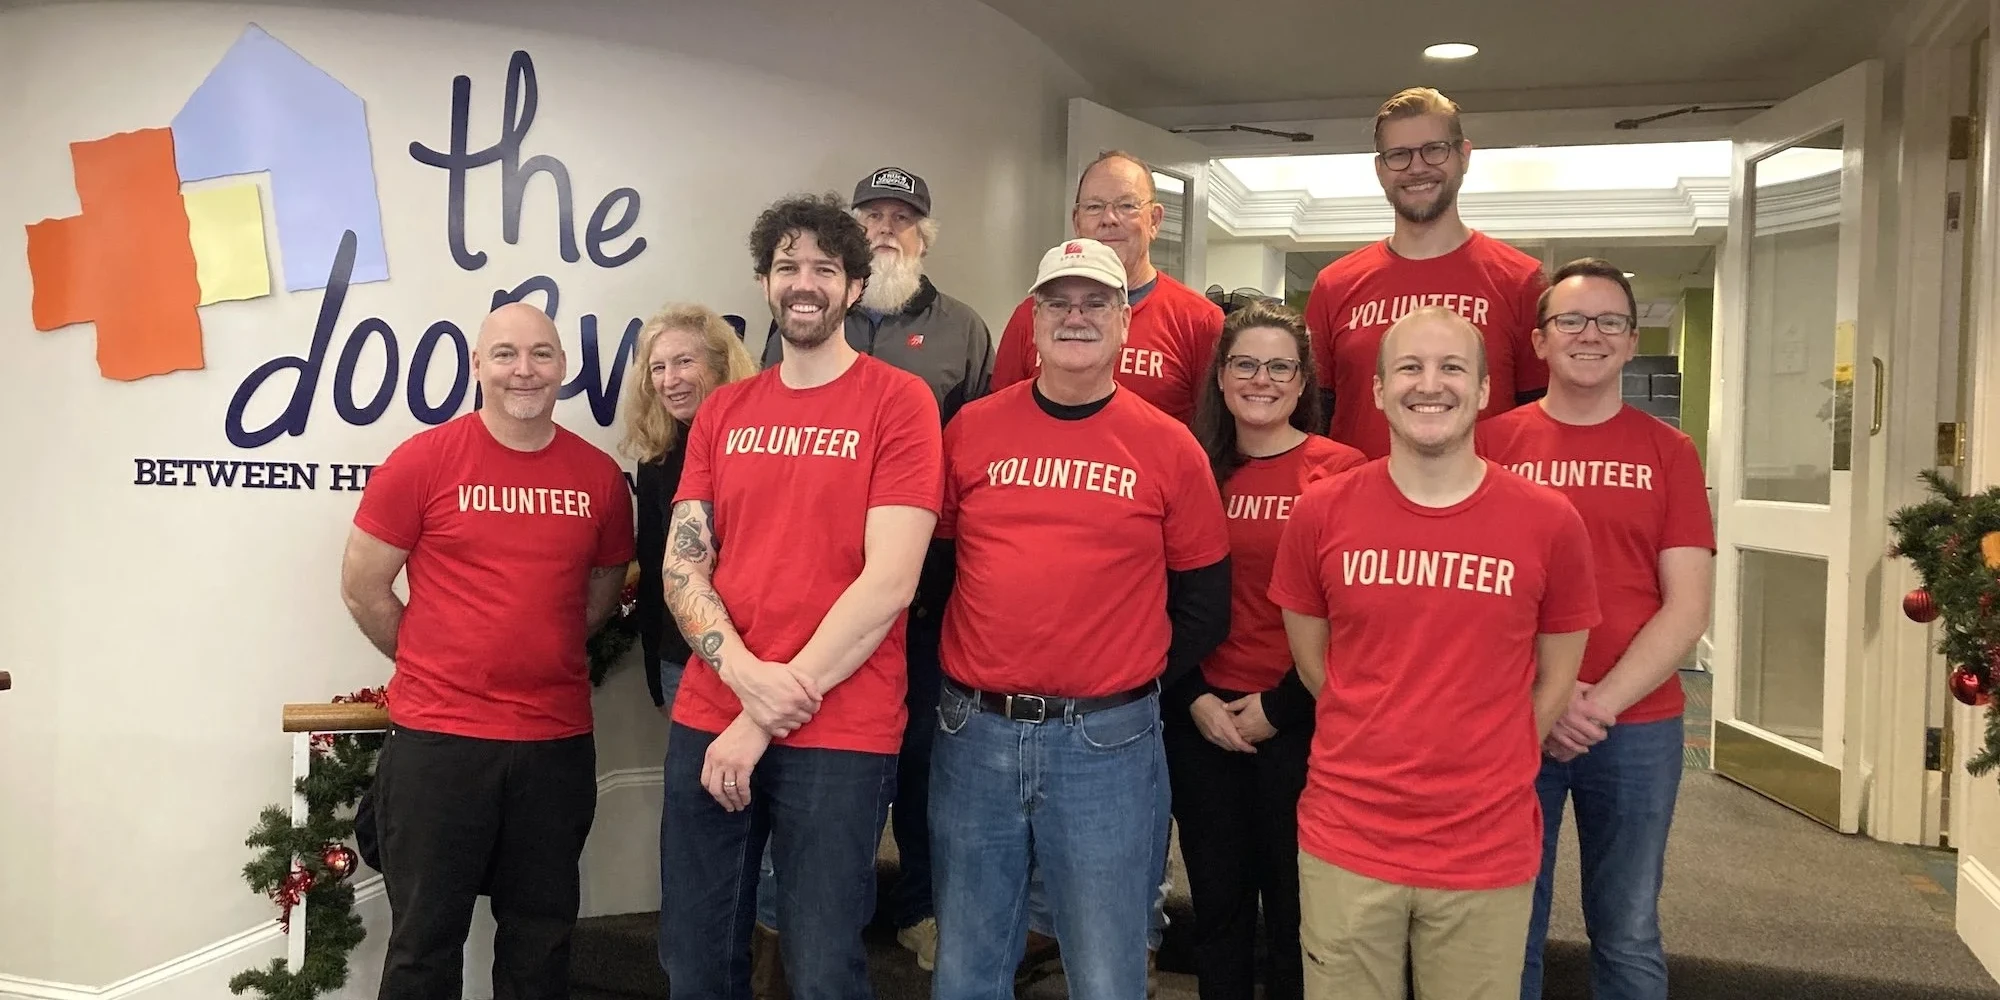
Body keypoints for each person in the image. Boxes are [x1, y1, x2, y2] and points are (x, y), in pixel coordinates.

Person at [927, 237, 1232, 1000]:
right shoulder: (969, 431)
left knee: (1106, 969)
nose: (1075, 316)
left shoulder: (1170, 448)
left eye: (1096, 302)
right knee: (967, 960)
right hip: (976, 733)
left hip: (1108, 743)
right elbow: (934, 571)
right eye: (1057, 302)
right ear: (1031, 322)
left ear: (1125, 322)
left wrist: (1122, 668)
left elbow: (1204, 600)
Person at [655, 192, 943, 1000]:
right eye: (788, 267)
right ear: (764, 281)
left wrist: (759, 715)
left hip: (840, 731)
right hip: (712, 717)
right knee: (695, 957)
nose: (804, 282)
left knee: (821, 965)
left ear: (856, 286)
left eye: (825, 267)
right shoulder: (725, 409)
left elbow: (890, 582)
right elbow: (684, 566)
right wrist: (745, 680)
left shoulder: (899, 403)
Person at [1269, 305, 1600, 1000]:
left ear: (1483, 390)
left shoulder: (1550, 522)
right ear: (1379, 391)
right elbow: (1314, 665)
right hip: (1347, 839)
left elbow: (1556, 676)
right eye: (1409, 368)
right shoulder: (1320, 514)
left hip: (1485, 845)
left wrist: (1494, 763)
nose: (1431, 384)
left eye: (1453, 367)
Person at [340, 301, 636, 1000]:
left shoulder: (598, 479)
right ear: (476, 366)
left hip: (555, 744)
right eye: (504, 354)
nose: (523, 370)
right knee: (424, 942)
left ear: (563, 367)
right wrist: (439, 661)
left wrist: (533, 649)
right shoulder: (422, 462)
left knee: (542, 936)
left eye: (541, 353)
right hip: (439, 742)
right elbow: (363, 589)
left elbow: (597, 597)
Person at [749, 166, 992, 976]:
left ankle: (921, 906)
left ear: (924, 235)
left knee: (925, 757)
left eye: (904, 217)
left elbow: (977, 456)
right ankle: (789, 921)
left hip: (920, 597)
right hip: (806, 605)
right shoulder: (800, 324)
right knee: (805, 759)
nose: (888, 228)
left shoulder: (962, 329)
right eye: (874, 216)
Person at [1478, 259, 1715, 1000]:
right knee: (1508, 919)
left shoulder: (1669, 453)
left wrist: (1596, 703)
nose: (1591, 334)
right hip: (1513, 716)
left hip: (1637, 726)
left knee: (1629, 927)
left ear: (1631, 339)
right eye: (1572, 320)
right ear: (1540, 342)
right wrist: (1547, 695)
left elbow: (1688, 604)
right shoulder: (1490, 445)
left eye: (1610, 320)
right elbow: (1474, 596)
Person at [1171, 300, 1363, 1000]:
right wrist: (1191, 695)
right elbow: (1157, 592)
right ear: (1221, 378)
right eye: (1245, 364)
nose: (1262, 379)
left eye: (1280, 366)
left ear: (1304, 379)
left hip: (1303, 719)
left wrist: (1284, 706)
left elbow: (1360, 610)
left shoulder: (1342, 471)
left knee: (1297, 909)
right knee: (1218, 909)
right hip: (1199, 717)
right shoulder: (1188, 465)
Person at [1303, 87, 1549, 459]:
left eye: (1434, 149)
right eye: (1399, 155)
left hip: (1483, 509)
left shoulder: (1521, 280)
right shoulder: (1334, 285)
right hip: (1358, 508)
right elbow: (1310, 424)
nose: (1417, 168)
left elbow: (1539, 422)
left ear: (1464, 155)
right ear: (1380, 169)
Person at [989, 151, 1224, 426]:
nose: (1109, 218)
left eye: (1127, 205)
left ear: (1155, 220)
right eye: (1094, 206)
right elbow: (1000, 417)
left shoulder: (1200, 321)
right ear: (1077, 221)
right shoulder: (1034, 315)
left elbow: (1217, 439)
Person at [623, 303, 759, 719]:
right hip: (681, 662)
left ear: (722, 366)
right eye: (658, 368)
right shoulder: (657, 459)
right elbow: (651, 565)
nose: (670, 380)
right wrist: (653, 658)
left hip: (761, 659)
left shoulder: (760, 446)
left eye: (684, 362)